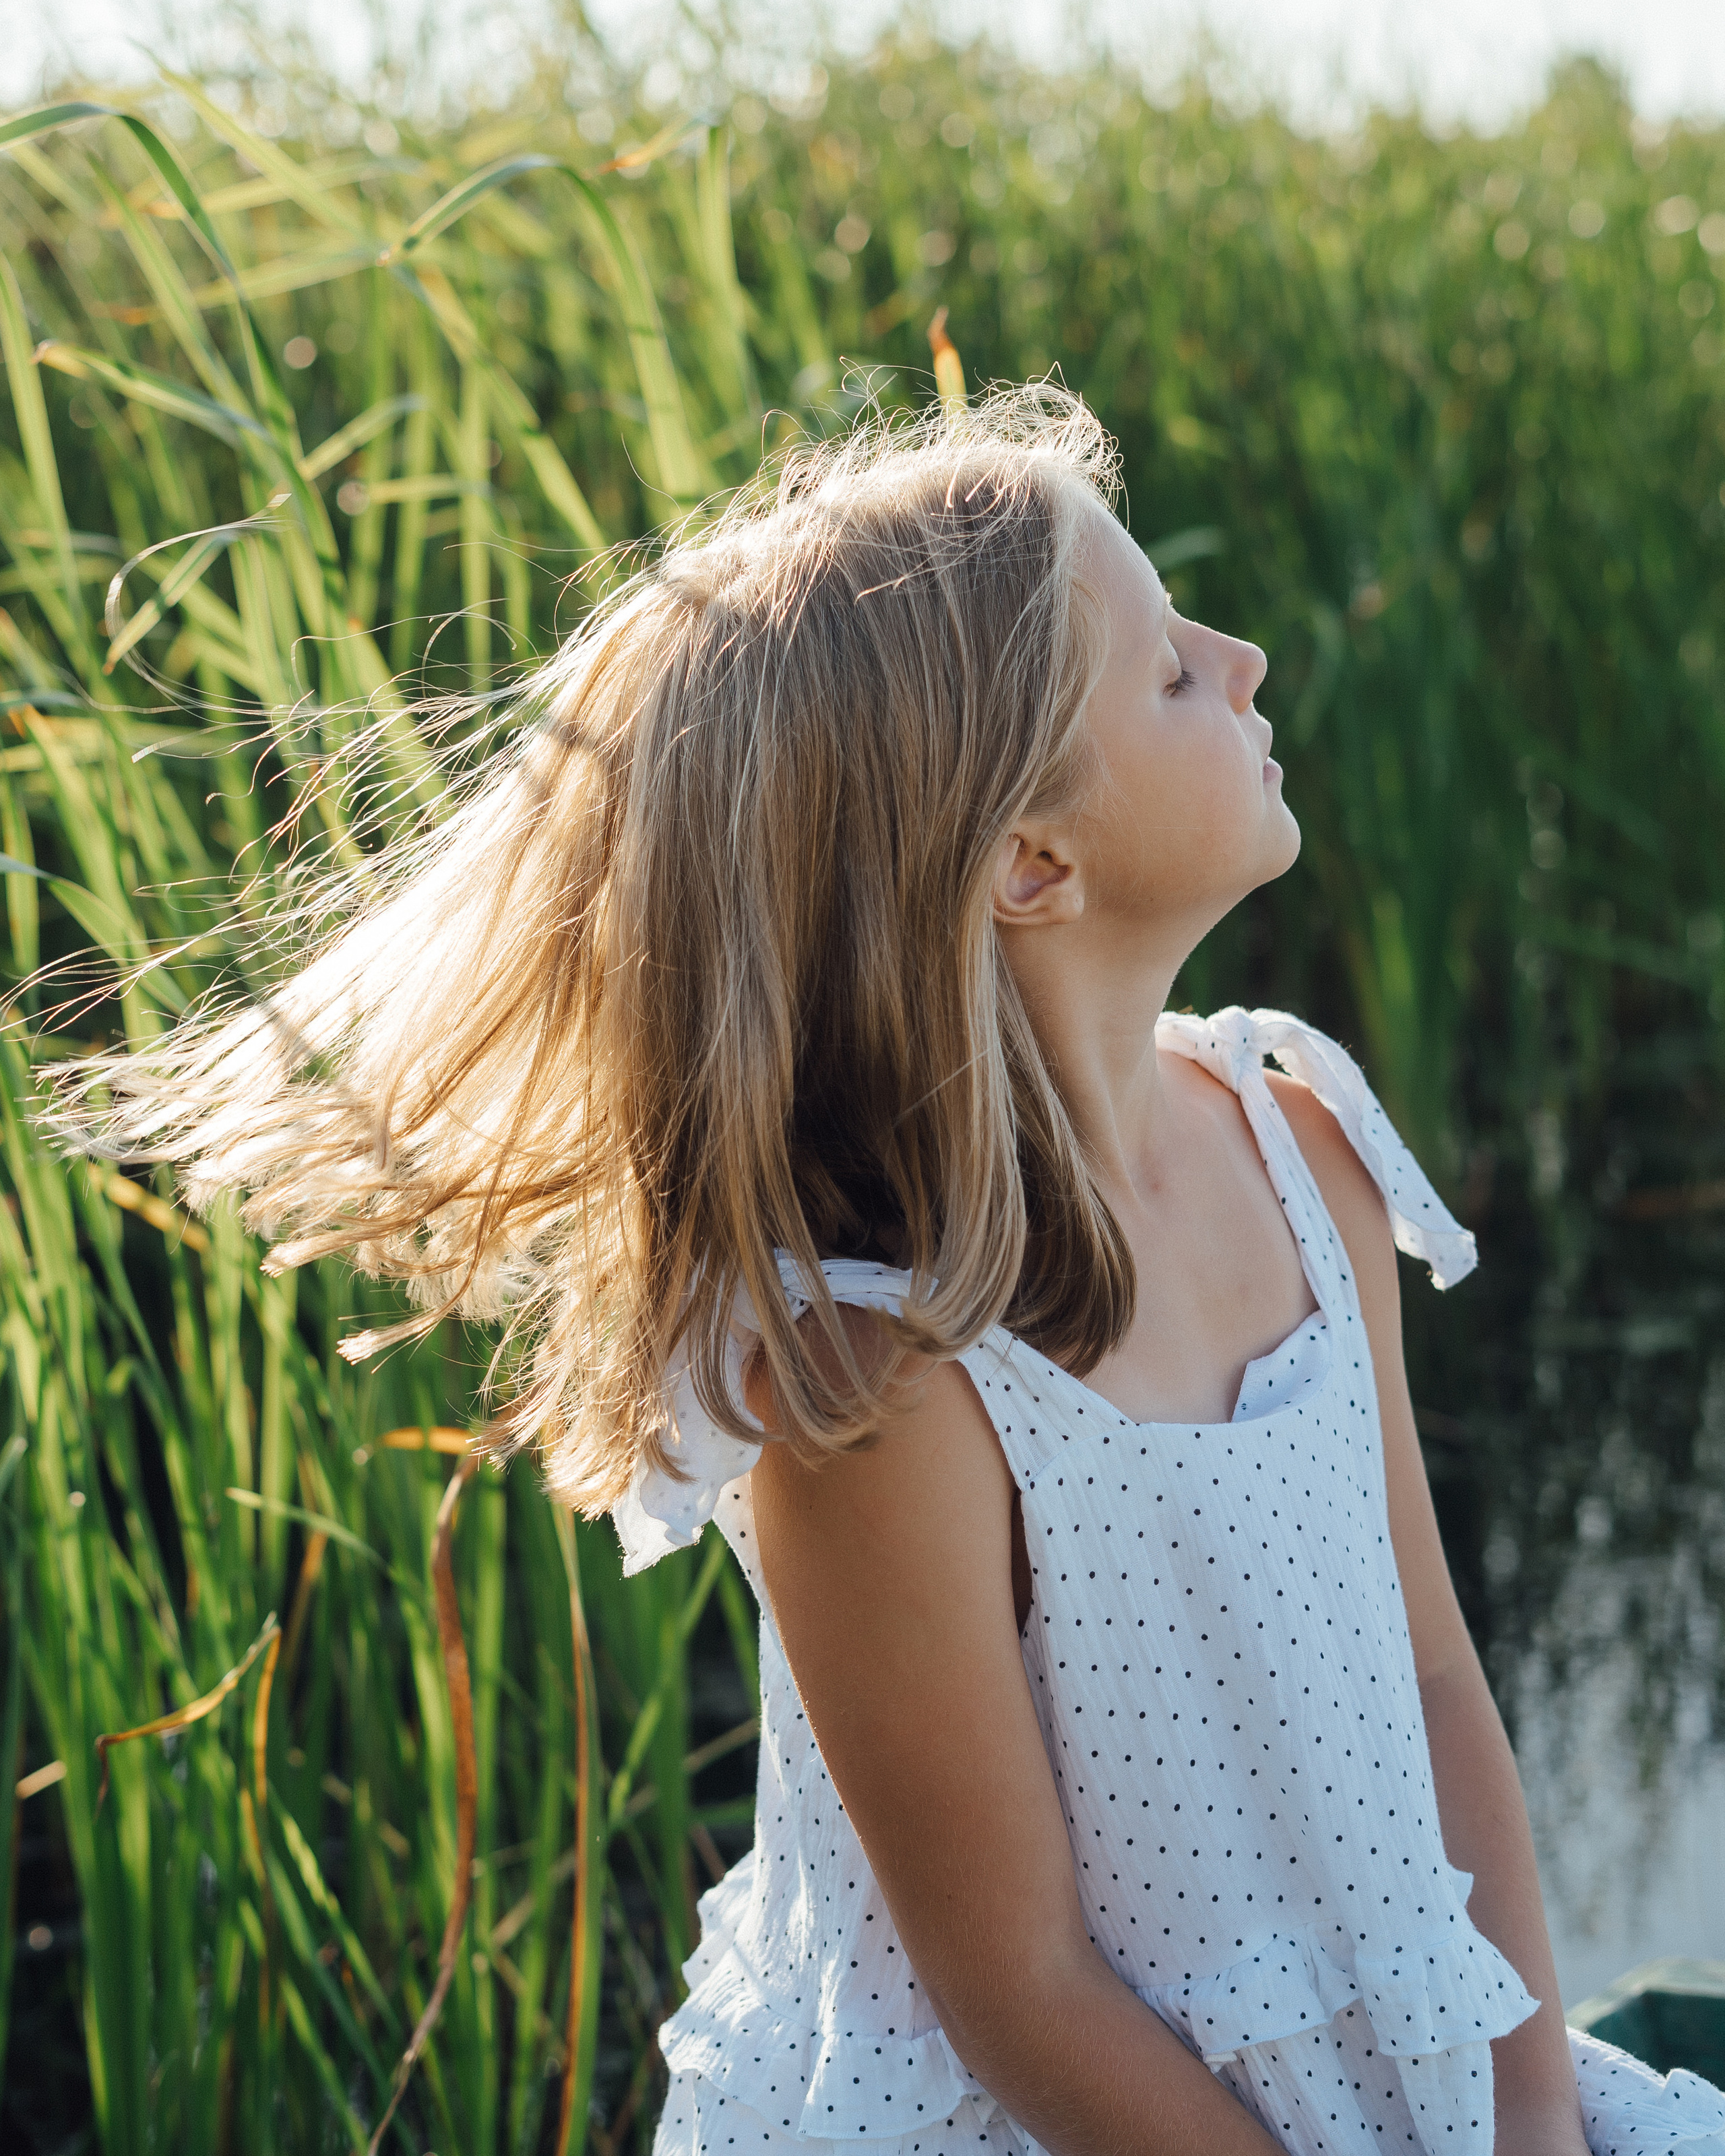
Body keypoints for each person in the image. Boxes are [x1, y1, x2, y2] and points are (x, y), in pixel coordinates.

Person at [65, 389, 1725, 2156]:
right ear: (1030, 864)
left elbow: (1438, 1684)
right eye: (1171, 669)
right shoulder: (885, 1381)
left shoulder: (1299, 1141)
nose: (1244, 662)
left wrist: (1528, 2111)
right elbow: (1023, 1994)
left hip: (1405, 2075)